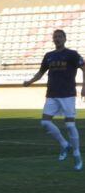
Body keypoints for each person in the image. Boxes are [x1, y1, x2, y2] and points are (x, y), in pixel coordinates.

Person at [23, 29, 85, 171]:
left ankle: (76, 154)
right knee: (45, 122)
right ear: (53, 39)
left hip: (68, 94)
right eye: (55, 37)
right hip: (52, 94)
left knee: (69, 125)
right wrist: (30, 81)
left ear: (65, 38)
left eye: (60, 36)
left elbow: (84, 67)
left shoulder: (72, 54)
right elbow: (41, 72)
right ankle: (64, 144)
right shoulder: (49, 56)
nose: (57, 39)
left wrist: (84, 86)